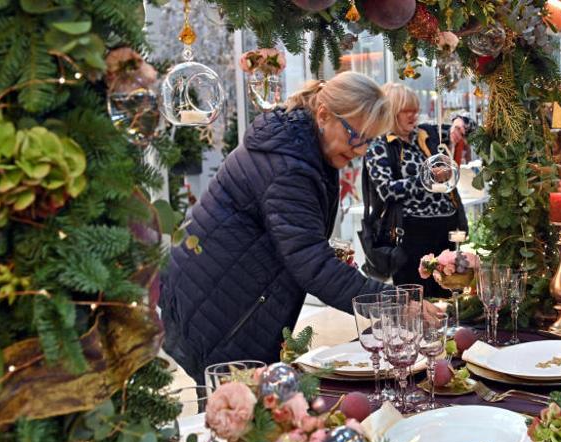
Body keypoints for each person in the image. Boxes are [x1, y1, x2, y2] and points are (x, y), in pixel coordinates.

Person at [159, 72, 398, 384]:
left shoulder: (302, 148)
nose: (362, 150)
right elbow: (310, 263)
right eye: (356, 135)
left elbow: (297, 241)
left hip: (220, 293)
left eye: (370, 140)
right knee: (235, 411)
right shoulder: (290, 166)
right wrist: (394, 303)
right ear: (324, 114)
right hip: (219, 306)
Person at [363, 83, 471, 297]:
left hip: (446, 229)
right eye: (407, 111)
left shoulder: (428, 133)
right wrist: (427, 177)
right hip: (410, 235)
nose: (413, 115)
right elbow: (387, 191)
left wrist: (459, 124)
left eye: (415, 109)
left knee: (448, 292)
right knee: (414, 298)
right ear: (392, 112)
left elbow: (470, 124)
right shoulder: (379, 145)